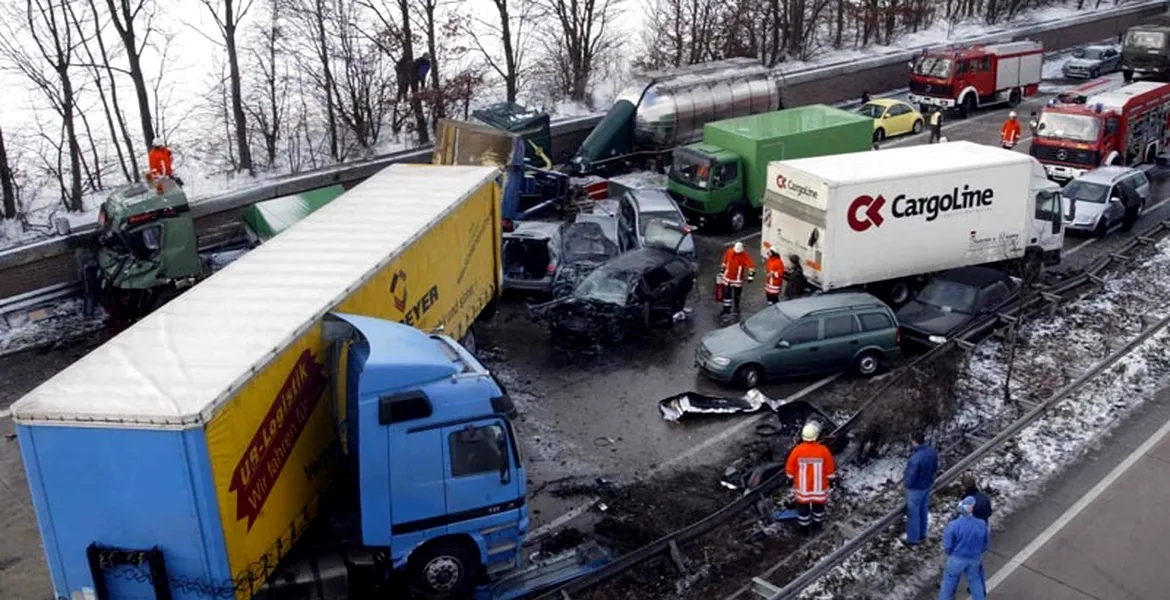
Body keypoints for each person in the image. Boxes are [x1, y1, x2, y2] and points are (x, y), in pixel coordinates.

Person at [785, 421, 837, 536]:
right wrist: (832, 480)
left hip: (803, 488)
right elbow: (830, 468)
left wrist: (789, 479)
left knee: (803, 510)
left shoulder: (797, 450)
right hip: (819, 488)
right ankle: (817, 526)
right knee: (818, 508)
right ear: (816, 436)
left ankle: (804, 530)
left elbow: (790, 467)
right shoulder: (823, 450)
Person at [938, 497, 990, 600]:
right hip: (974, 558)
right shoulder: (981, 524)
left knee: (949, 583)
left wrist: (950, 553)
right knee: (975, 581)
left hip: (957, 558)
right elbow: (985, 543)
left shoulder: (953, 525)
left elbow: (948, 545)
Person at [902, 431, 939, 546]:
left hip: (915, 489)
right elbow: (935, 468)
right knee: (923, 510)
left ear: (914, 442)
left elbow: (911, 476)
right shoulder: (932, 453)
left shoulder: (915, 459)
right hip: (926, 486)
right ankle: (922, 534)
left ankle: (913, 539)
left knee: (913, 514)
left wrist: (906, 485)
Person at [718, 241, 755, 315]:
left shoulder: (745, 255)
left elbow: (751, 267)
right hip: (728, 278)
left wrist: (751, 277)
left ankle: (736, 307)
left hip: (737, 280)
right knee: (727, 295)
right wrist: (721, 273)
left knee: (736, 295)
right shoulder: (729, 252)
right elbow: (724, 263)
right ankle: (726, 309)